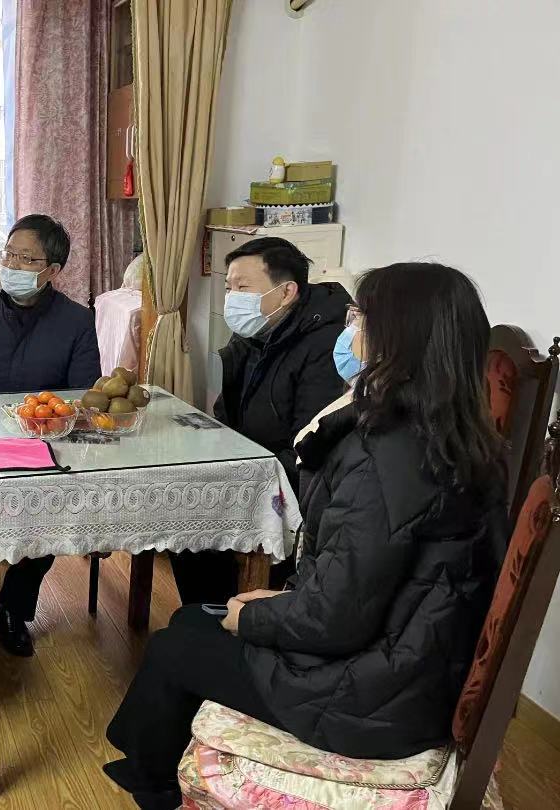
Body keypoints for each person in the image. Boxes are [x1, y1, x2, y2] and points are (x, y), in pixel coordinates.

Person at [105, 263, 508, 810]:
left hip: (371, 699)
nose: (350, 328)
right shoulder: (464, 438)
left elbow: (335, 618)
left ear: (399, 339)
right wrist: (276, 603)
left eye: (361, 317)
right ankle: (151, 767)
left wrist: (257, 616)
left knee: (176, 645)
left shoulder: (385, 455)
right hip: (415, 669)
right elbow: (369, 585)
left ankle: (153, 786)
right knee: (194, 619)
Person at [0, 213, 101, 656]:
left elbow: (83, 394)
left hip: (46, 443)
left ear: (52, 270)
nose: (12, 264)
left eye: (26, 259)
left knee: (51, 510)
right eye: (9, 254)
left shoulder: (76, 320)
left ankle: (12, 608)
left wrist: (53, 421)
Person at [170, 236, 352, 606]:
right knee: (179, 506)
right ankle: (208, 612)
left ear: (286, 292)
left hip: (286, 481)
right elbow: (226, 415)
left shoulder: (325, 345)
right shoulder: (254, 332)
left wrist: (240, 476)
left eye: (243, 287)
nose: (232, 298)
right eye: (228, 287)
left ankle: (229, 612)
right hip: (249, 465)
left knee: (194, 515)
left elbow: (309, 445)